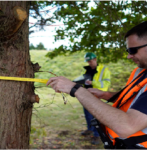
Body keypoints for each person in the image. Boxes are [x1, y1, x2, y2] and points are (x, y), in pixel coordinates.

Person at [47, 21, 147, 149]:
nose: (128, 56)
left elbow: (126, 126)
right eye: (128, 50)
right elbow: (136, 98)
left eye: (133, 50)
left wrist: (76, 89)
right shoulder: (141, 71)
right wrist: (107, 95)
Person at [73, 52, 111, 145]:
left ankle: (97, 134)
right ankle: (90, 129)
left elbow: (105, 84)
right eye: (88, 61)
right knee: (87, 114)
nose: (89, 63)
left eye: (90, 61)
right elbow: (83, 79)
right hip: (86, 95)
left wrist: (92, 82)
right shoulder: (87, 69)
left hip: (98, 95)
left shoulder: (104, 70)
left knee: (96, 116)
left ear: (95, 59)